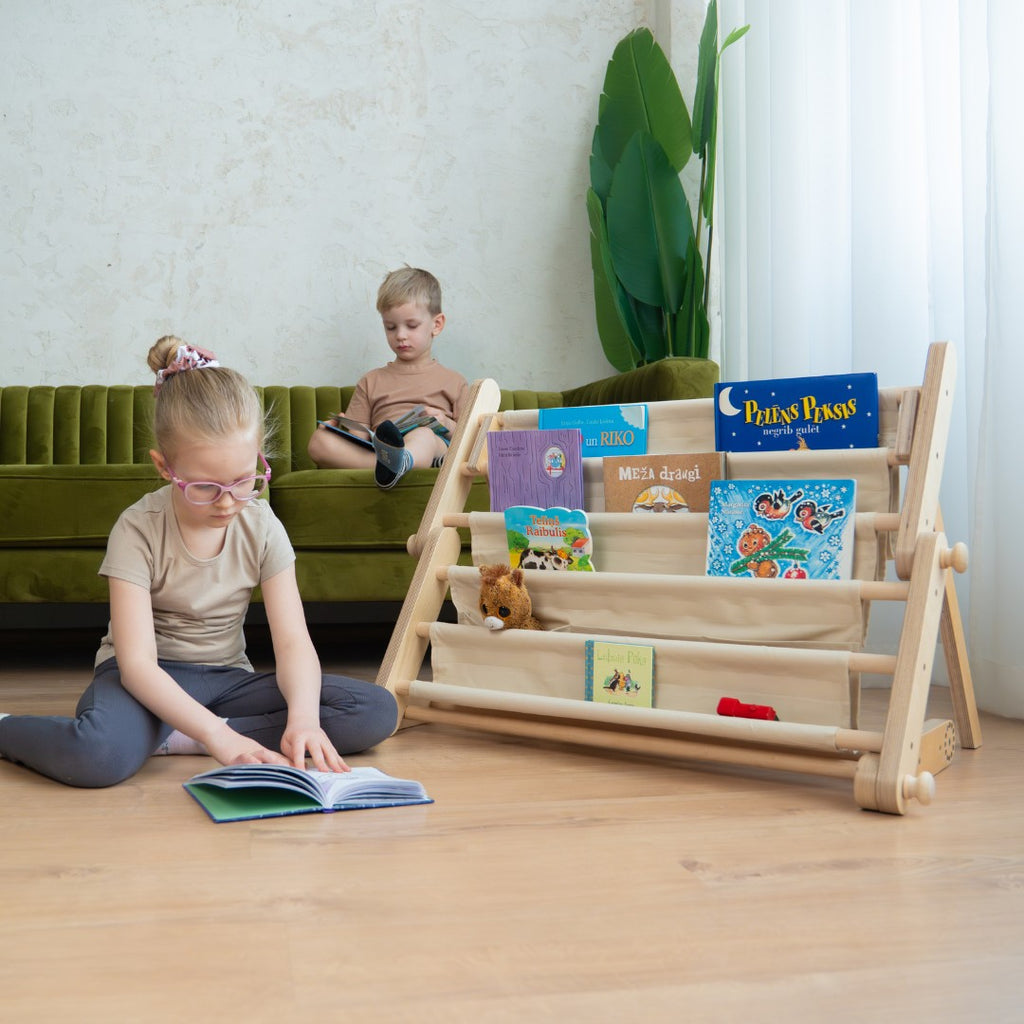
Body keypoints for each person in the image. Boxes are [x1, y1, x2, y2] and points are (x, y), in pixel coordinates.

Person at [0, 337, 398, 788]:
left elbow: (293, 645)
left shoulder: (261, 525)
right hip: (143, 680)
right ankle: (9, 728)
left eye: (245, 480)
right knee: (98, 756)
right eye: (206, 487)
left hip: (227, 681)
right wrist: (217, 734)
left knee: (374, 711)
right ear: (164, 466)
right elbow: (138, 666)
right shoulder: (137, 529)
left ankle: (173, 736)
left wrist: (304, 720)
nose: (229, 502)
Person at [307, 266, 469, 488]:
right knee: (318, 442)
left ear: (436, 324)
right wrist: (338, 433)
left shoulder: (454, 381)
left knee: (422, 436)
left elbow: (470, 439)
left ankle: (402, 462)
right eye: (390, 327)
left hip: (433, 445)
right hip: (381, 450)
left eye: (411, 326)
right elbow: (360, 437)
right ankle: (389, 466)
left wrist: (446, 422)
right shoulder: (371, 381)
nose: (400, 335)